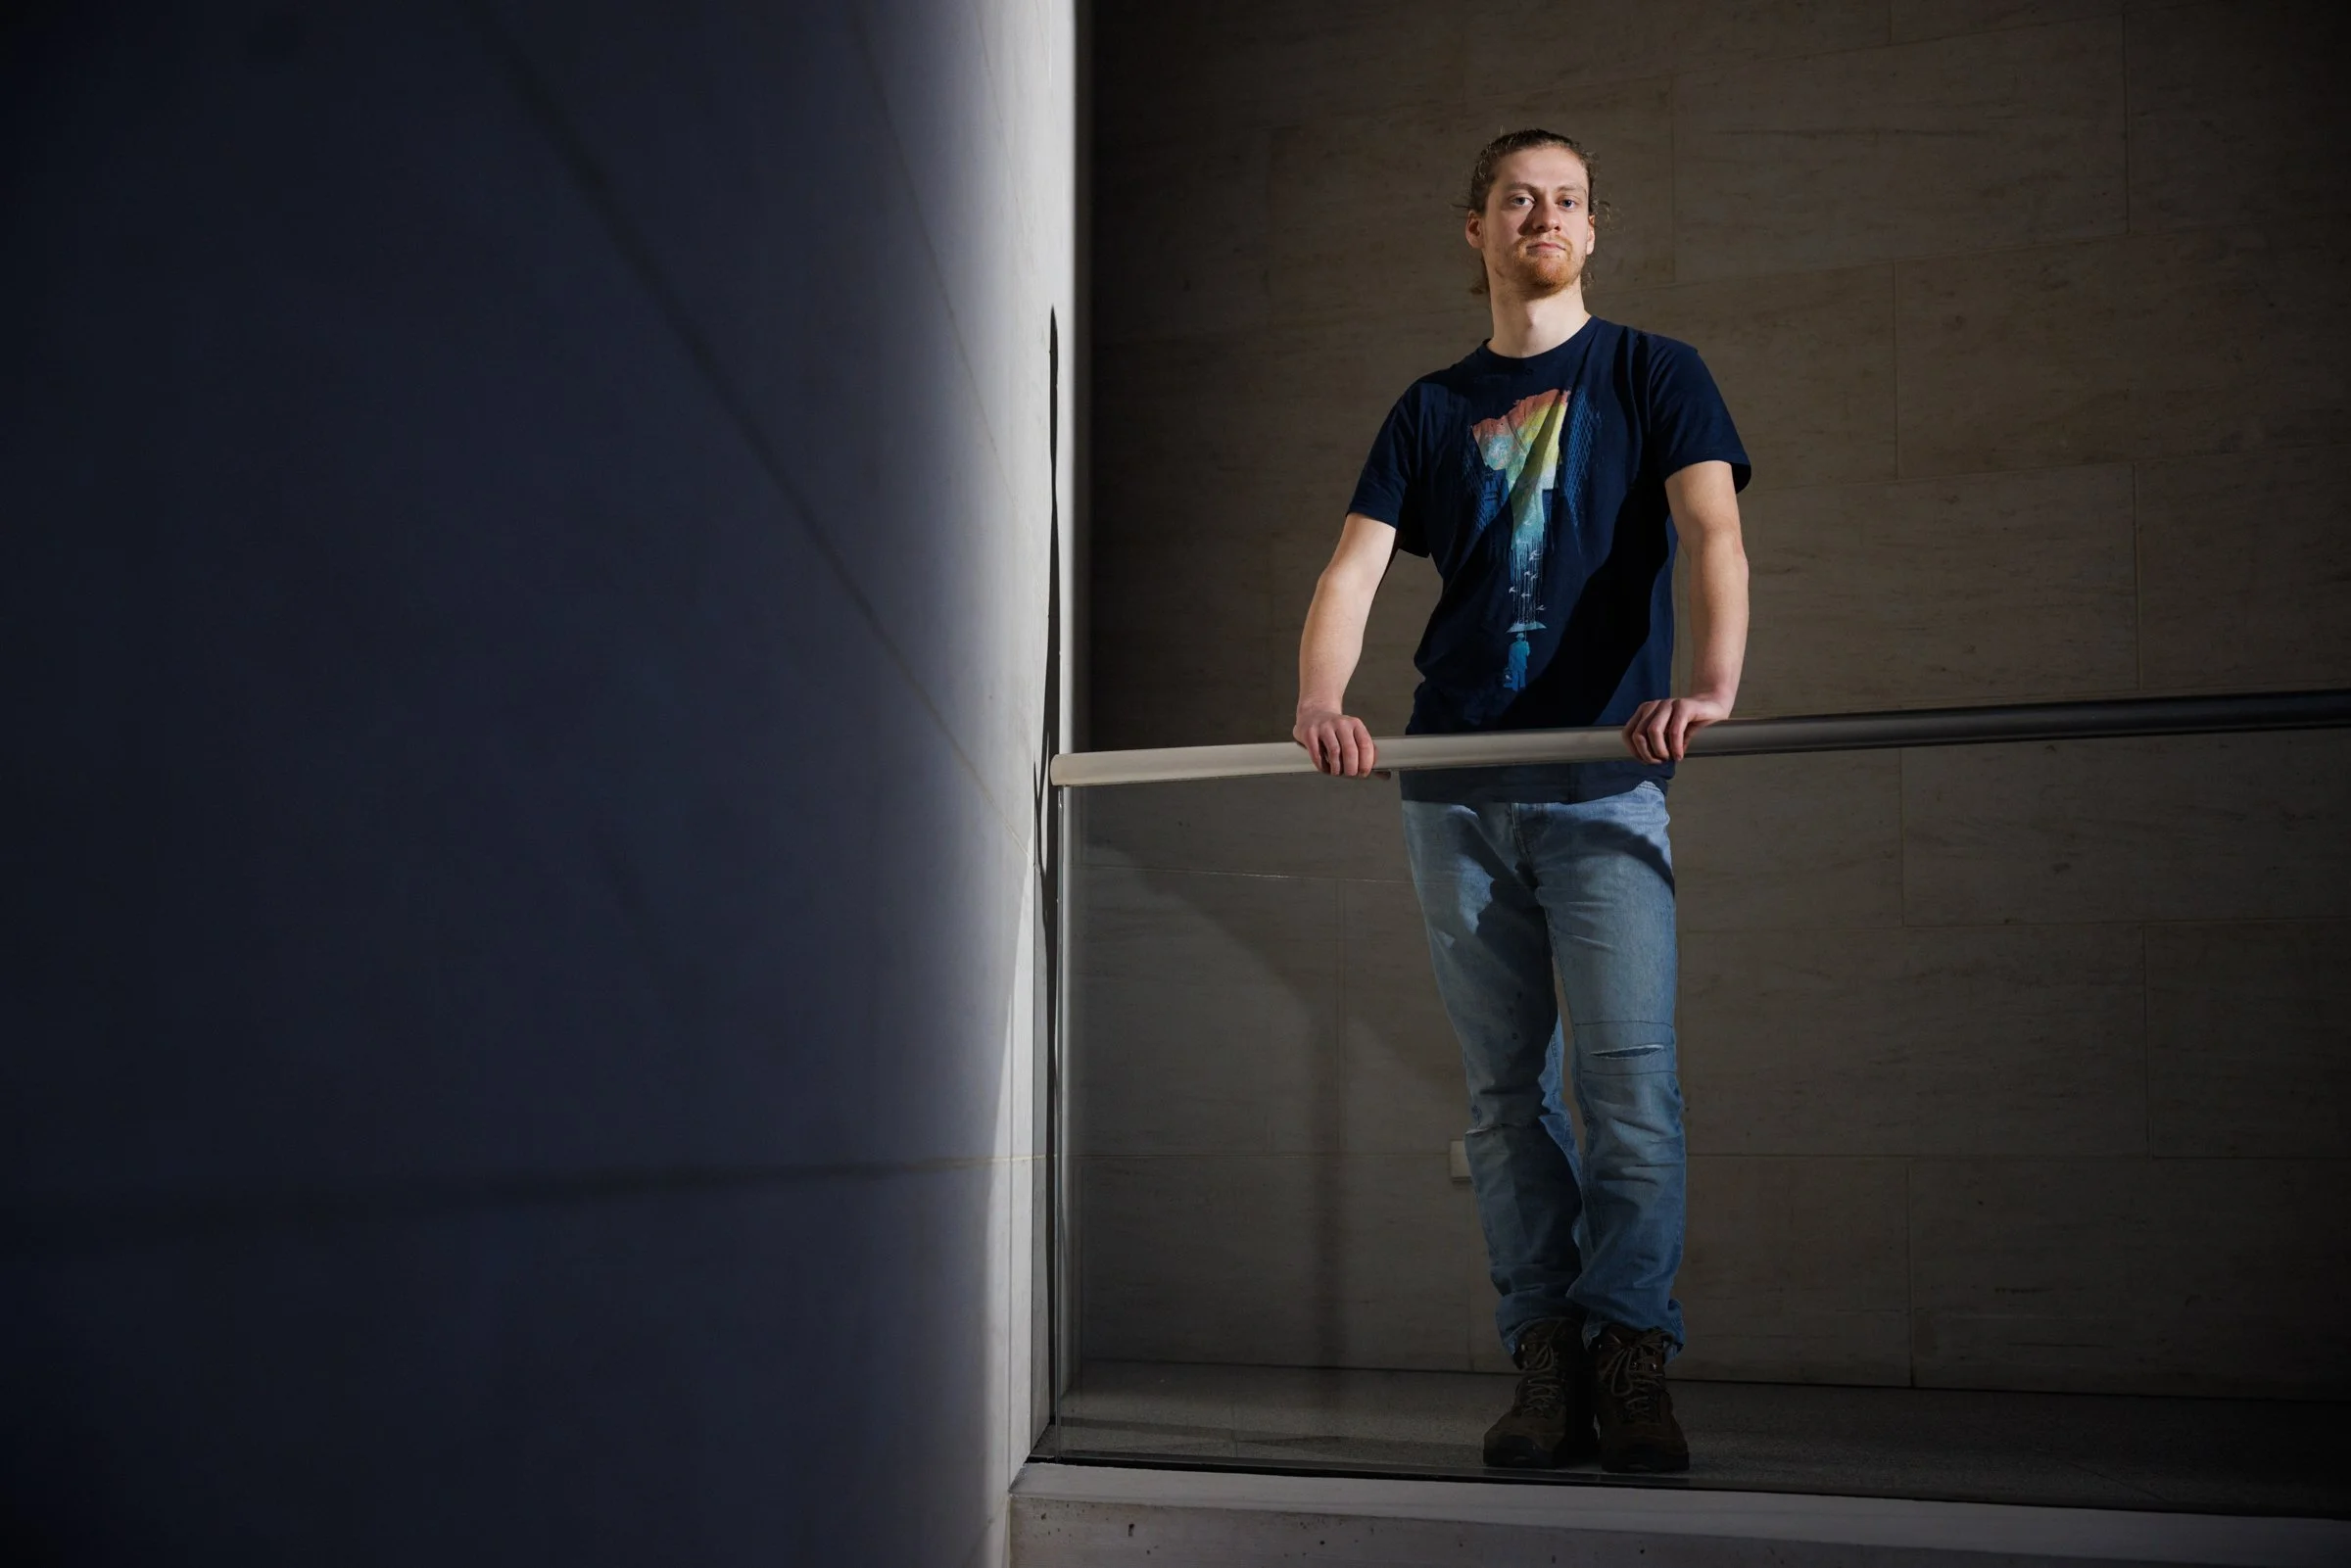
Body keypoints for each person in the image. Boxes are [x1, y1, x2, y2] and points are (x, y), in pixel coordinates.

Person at [1292, 128, 1751, 1474]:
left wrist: (1711, 688)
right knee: (1504, 1098)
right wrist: (1323, 704)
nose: (1542, 216)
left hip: (1605, 788)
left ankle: (1631, 1357)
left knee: (1631, 1087)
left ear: (1593, 229)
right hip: (1453, 790)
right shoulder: (1432, 410)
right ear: (1478, 229)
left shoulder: (1656, 373)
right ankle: (1544, 1359)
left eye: (1566, 200)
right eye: (1516, 199)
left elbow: (1715, 531)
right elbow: (1351, 576)